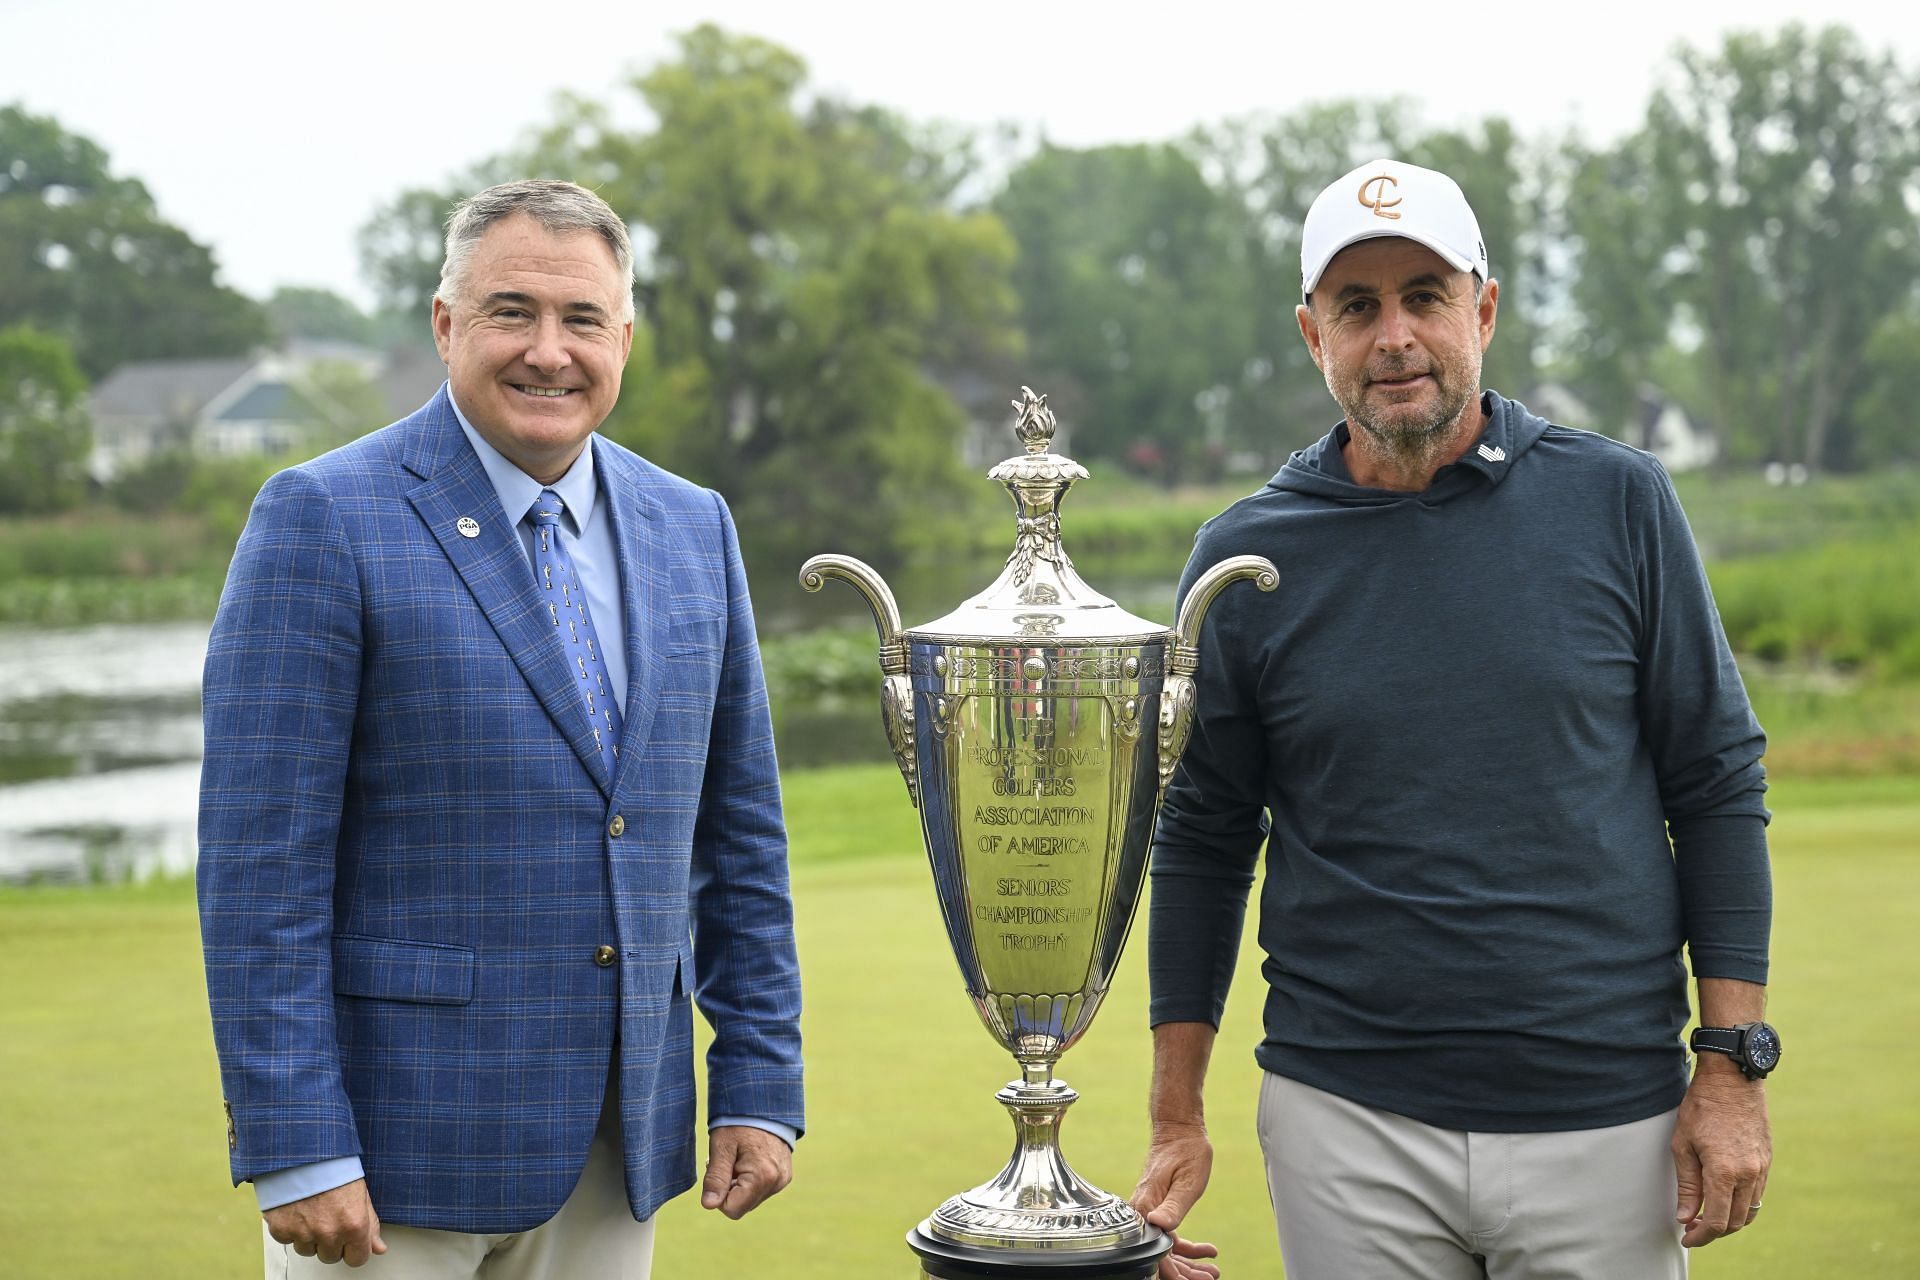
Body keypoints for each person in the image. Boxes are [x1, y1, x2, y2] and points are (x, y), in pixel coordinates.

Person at [1129, 159, 1777, 1279]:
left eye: (1424, 295)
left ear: (1483, 308)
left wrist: (1730, 1065)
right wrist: (1176, 1113)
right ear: (1310, 334)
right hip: (1346, 1121)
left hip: (1609, 1120)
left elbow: (1715, 783)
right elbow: (1203, 836)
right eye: (1357, 305)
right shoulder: (1245, 555)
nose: (1395, 336)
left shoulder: (1618, 499)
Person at [198, 179, 803, 1277]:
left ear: (624, 336)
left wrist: (759, 1080)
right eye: (511, 311)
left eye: (581, 319)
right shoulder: (323, 516)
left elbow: (741, 840)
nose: (548, 351)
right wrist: (294, 1142)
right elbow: (259, 871)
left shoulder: (693, 526)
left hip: (621, 1147)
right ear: (445, 325)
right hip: (391, 1163)